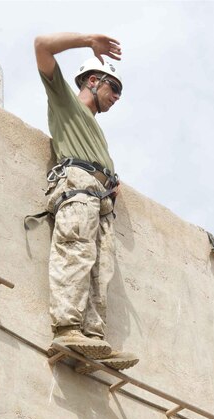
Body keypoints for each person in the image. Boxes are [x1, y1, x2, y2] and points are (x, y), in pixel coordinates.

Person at [34, 32, 138, 372]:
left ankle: (92, 338)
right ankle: (67, 329)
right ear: (93, 81)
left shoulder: (95, 129)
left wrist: (110, 180)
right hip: (77, 190)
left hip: (100, 201)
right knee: (75, 253)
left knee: (98, 270)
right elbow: (42, 46)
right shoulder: (67, 103)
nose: (117, 98)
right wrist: (88, 40)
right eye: (114, 89)